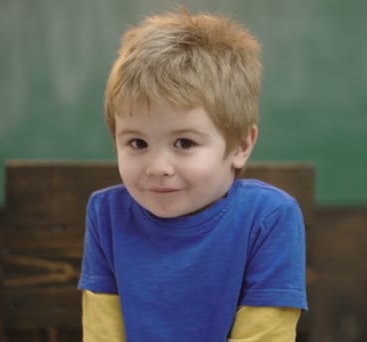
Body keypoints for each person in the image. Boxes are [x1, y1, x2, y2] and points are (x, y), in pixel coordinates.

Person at [78, 8, 308, 341]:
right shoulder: (107, 215)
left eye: (184, 142)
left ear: (241, 145)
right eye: (137, 142)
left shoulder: (269, 218)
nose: (158, 167)